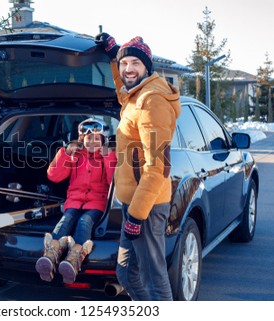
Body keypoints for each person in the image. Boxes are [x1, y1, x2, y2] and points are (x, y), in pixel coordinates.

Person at [95, 34, 181, 300]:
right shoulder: (135, 95)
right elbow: (123, 90)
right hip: (133, 204)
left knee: (154, 277)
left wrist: (136, 216)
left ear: (147, 67)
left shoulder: (151, 101)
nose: (128, 69)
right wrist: (114, 57)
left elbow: (158, 166)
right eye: (124, 63)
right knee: (125, 274)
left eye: (135, 63)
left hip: (147, 207)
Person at [35, 118, 117, 284]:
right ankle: (50, 258)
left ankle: (73, 261)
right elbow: (53, 176)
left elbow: (113, 182)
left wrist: (108, 156)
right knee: (65, 221)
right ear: (81, 140)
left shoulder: (107, 156)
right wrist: (65, 152)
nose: (92, 142)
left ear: (102, 141)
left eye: (96, 139)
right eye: (88, 139)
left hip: (96, 203)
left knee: (84, 222)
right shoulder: (75, 156)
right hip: (74, 201)